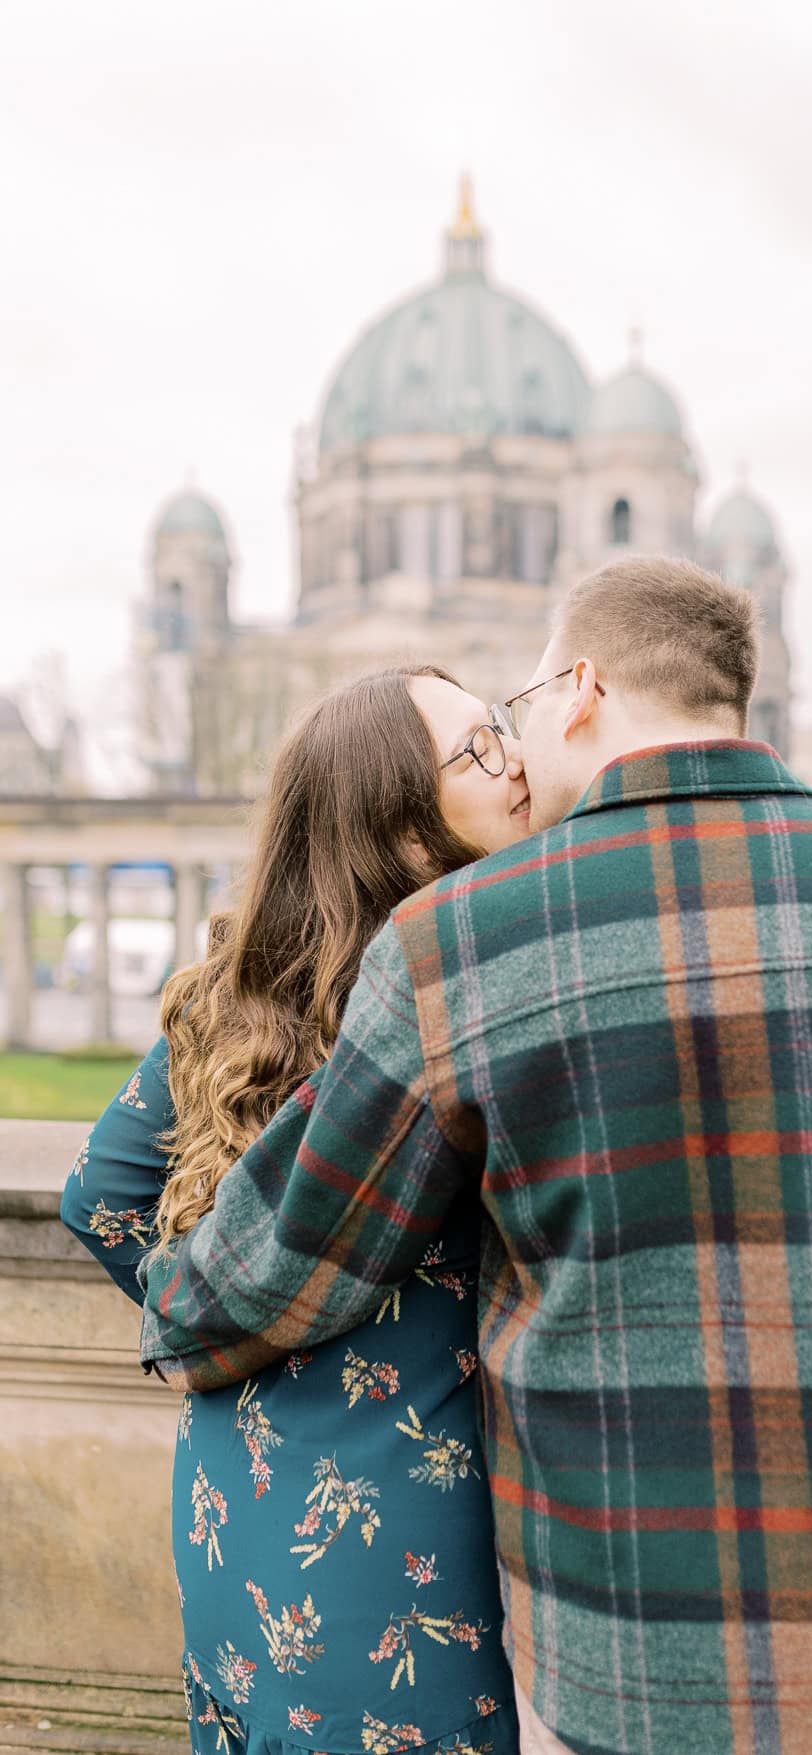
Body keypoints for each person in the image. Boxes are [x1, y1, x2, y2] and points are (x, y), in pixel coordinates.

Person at [140, 557, 812, 1755]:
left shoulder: (457, 946)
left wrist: (172, 1307)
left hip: (623, 1670)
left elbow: (285, 1260)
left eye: (515, 716)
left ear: (579, 690)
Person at [61, 667, 533, 1755]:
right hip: (409, 1527)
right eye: (474, 751)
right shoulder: (459, 987)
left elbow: (105, 1194)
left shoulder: (247, 983)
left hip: (240, 1496)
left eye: (500, 727)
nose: (513, 757)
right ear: (397, 823)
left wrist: (231, 1325)